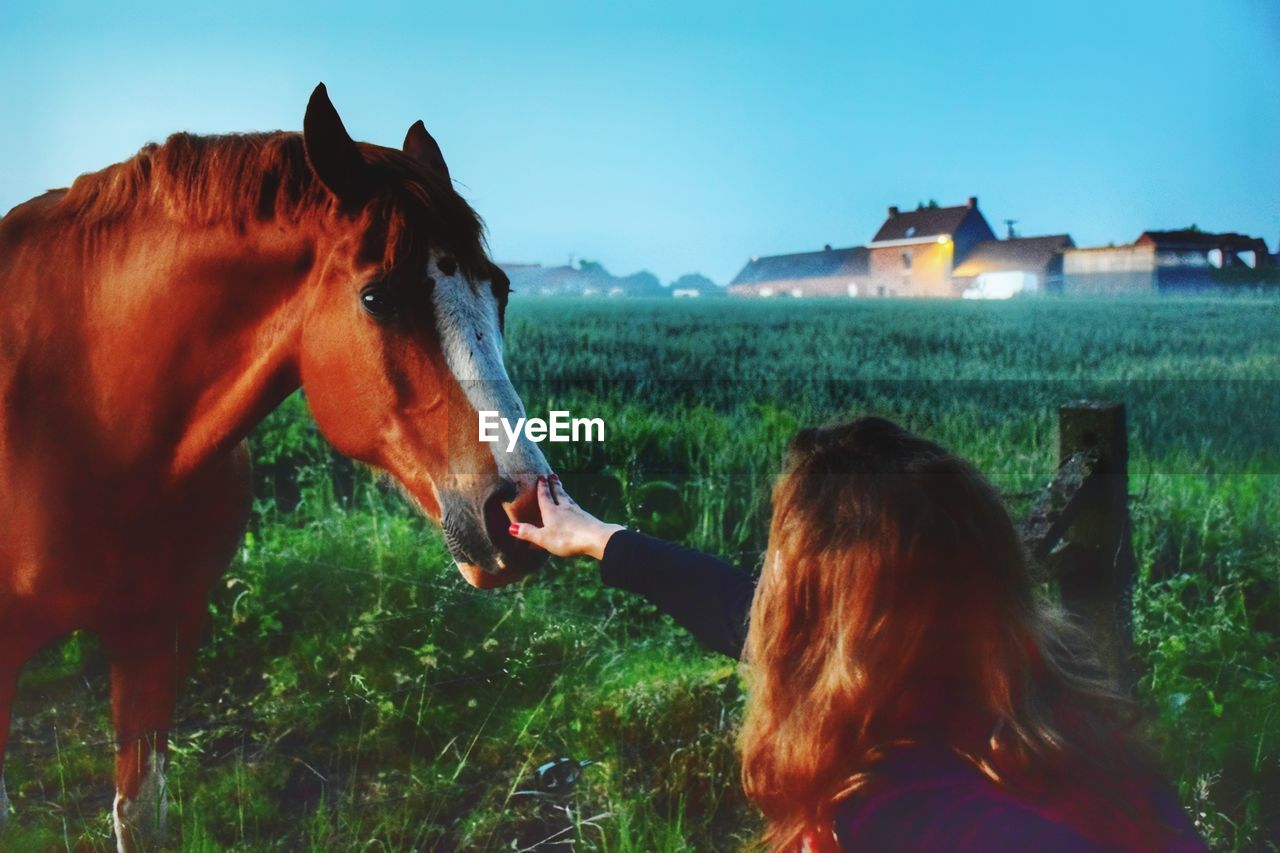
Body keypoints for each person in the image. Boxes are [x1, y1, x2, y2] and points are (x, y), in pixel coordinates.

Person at [509, 417, 1205, 852]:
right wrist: (601, 539)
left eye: (780, 565)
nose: (767, 586)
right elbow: (740, 613)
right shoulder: (1044, 710)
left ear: (837, 621)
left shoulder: (909, 812)